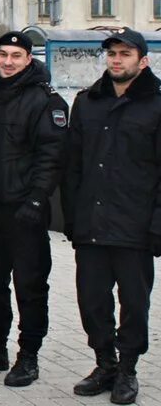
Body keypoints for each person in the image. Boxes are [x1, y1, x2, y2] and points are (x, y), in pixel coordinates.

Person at [63, 28, 161, 406]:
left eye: (125, 53)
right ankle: (104, 363)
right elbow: (73, 166)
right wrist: (71, 218)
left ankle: (128, 369)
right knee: (92, 302)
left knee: (134, 303)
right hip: (91, 223)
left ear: (143, 59)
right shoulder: (88, 102)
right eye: (112, 53)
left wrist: (156, 225)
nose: (116, 60)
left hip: (134, 226)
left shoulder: (155, 104)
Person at [0, 32, 67, 387]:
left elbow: (51, 157)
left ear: (28, 58)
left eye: (16, 55)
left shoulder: (45, 101)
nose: (8, 61)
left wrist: (38, 199)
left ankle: (29, 354)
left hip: (25, 210)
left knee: (30, 285)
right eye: (3, 54)